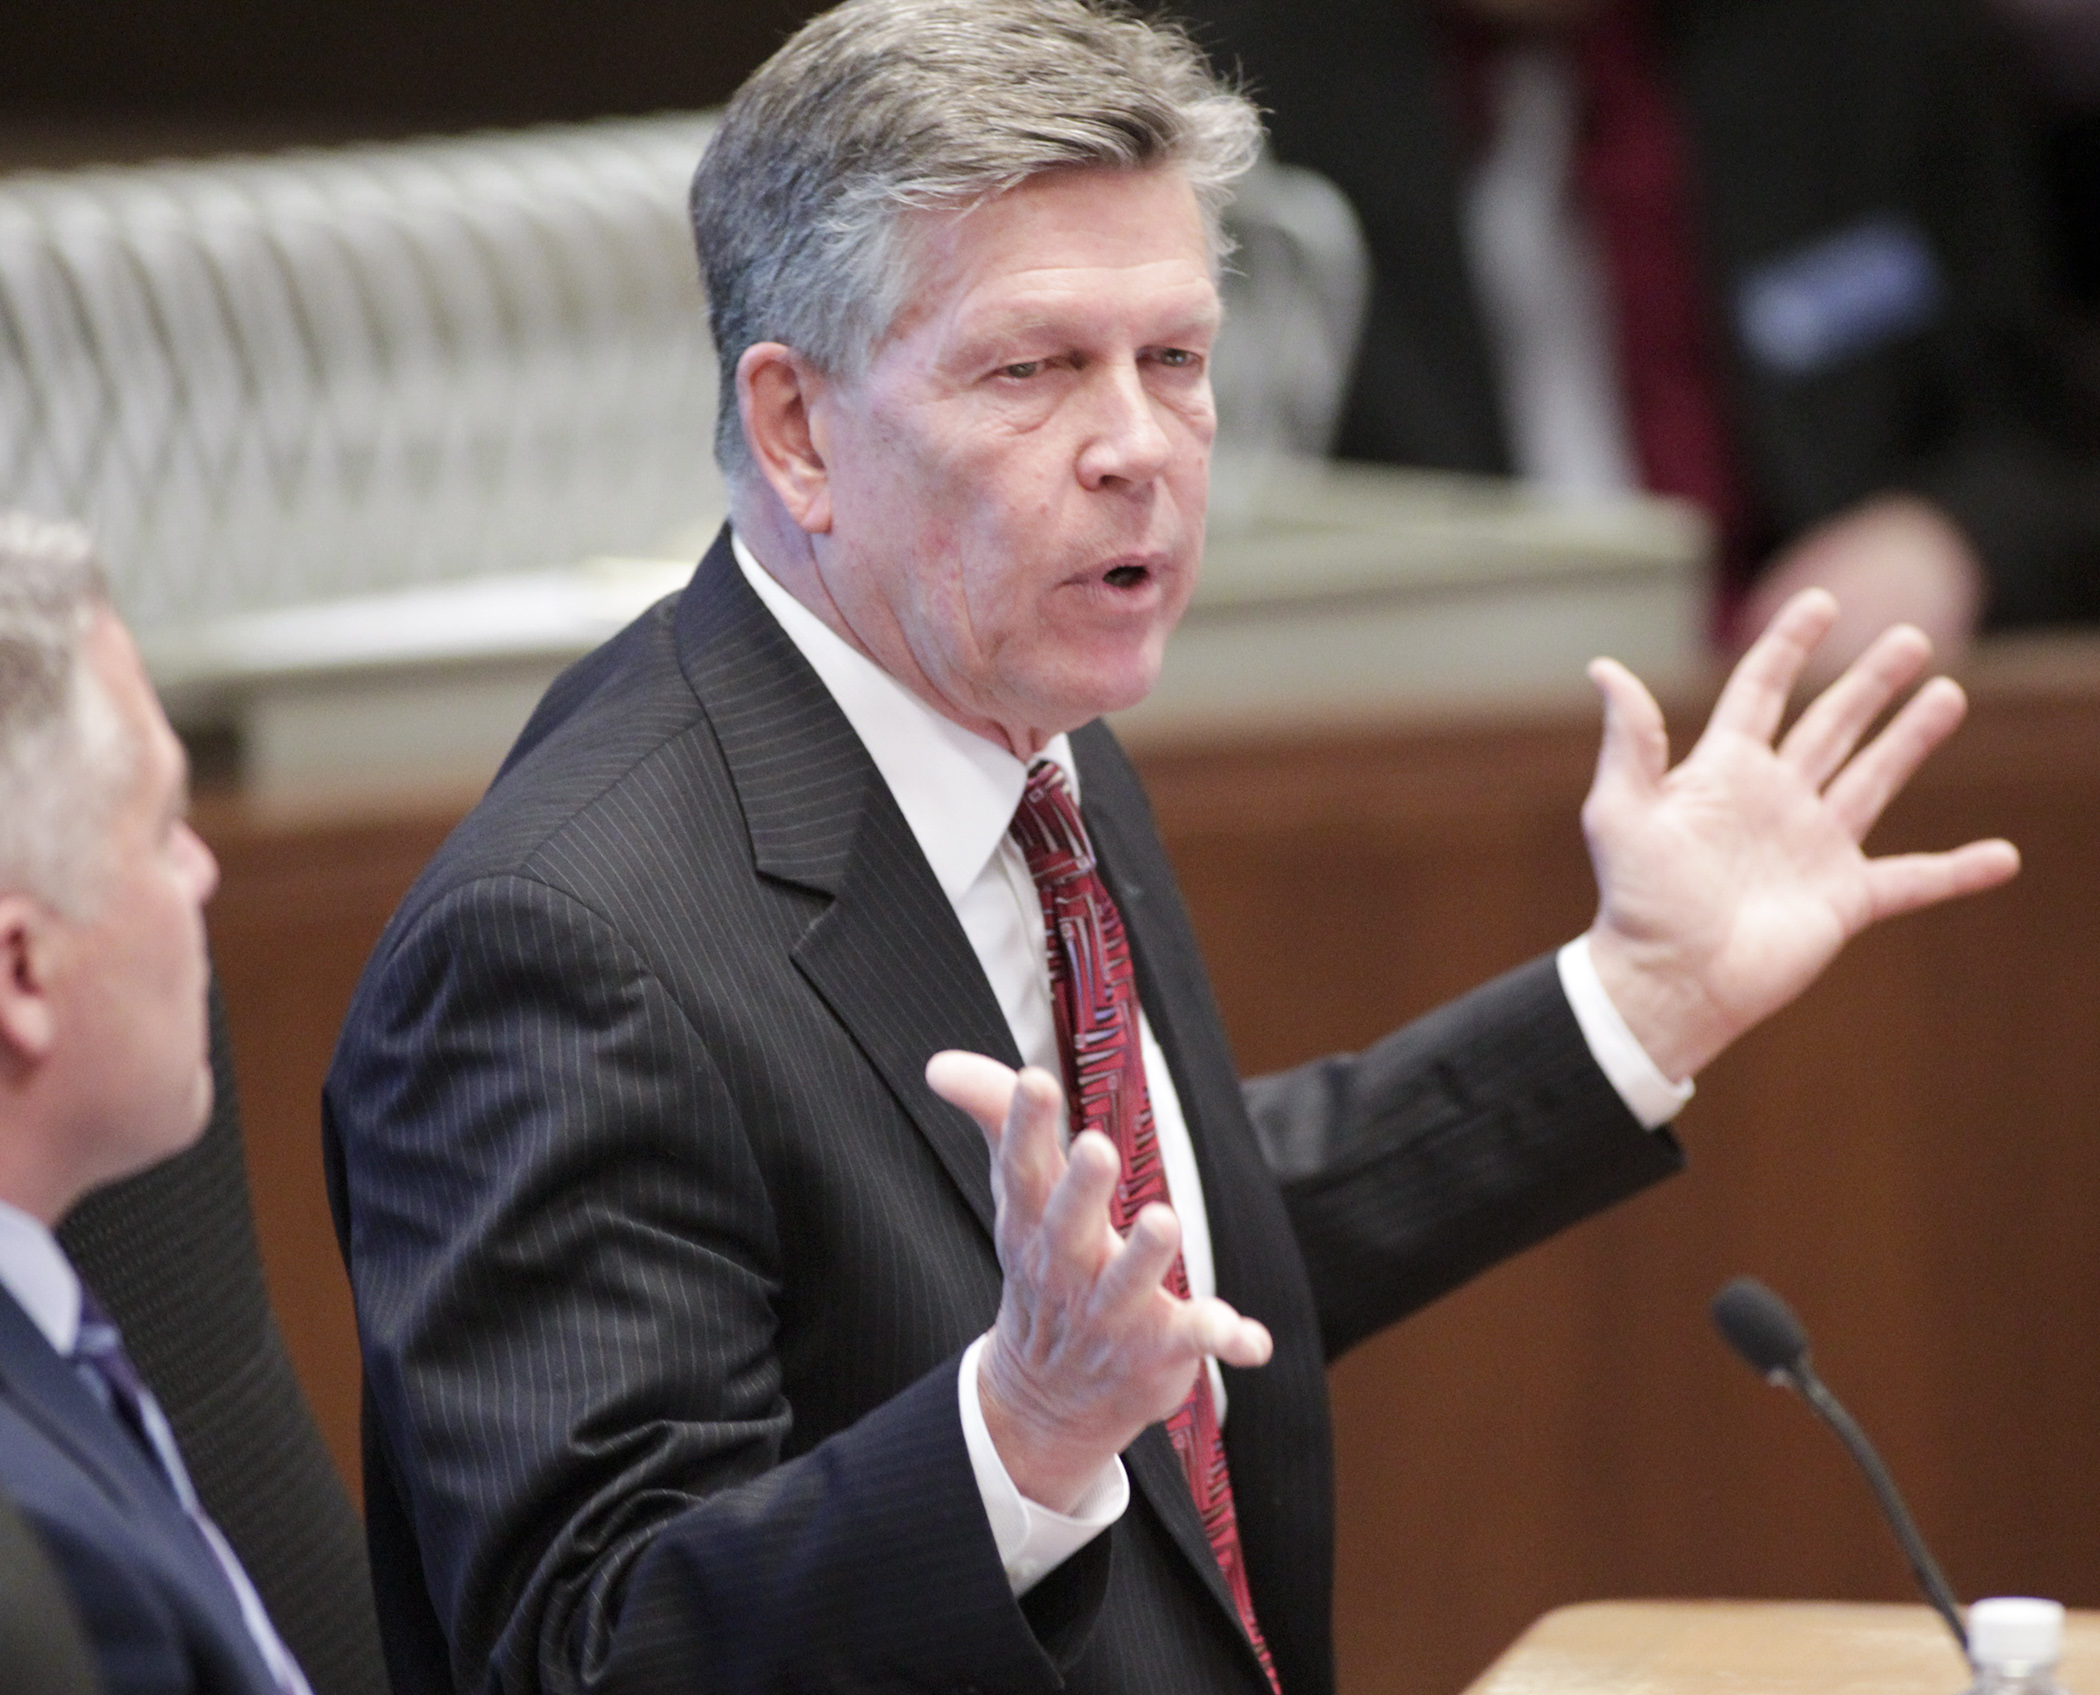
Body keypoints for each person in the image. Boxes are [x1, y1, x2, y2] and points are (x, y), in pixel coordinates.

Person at [322, 4, 2020, 1692]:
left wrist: (1634, 1002)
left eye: (1176, 361)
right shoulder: (559, 942)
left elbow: (1165, 1255)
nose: (1138, 447)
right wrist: (1015, 1442)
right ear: (795, 431)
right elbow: (580, 1653)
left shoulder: (1024, 719)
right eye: (1032, 368)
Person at [1176, 0, 2100, 680]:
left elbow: (2043, 427)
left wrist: (1950, 538)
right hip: (1416, 734)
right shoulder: (1210, 73)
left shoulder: (1874, 49)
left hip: (1808, 703)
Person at [0, 512, 316, 1695]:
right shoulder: (40, 1583)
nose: (205, 874)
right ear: (23, 975)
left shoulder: (54, 1332)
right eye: (165, 828)